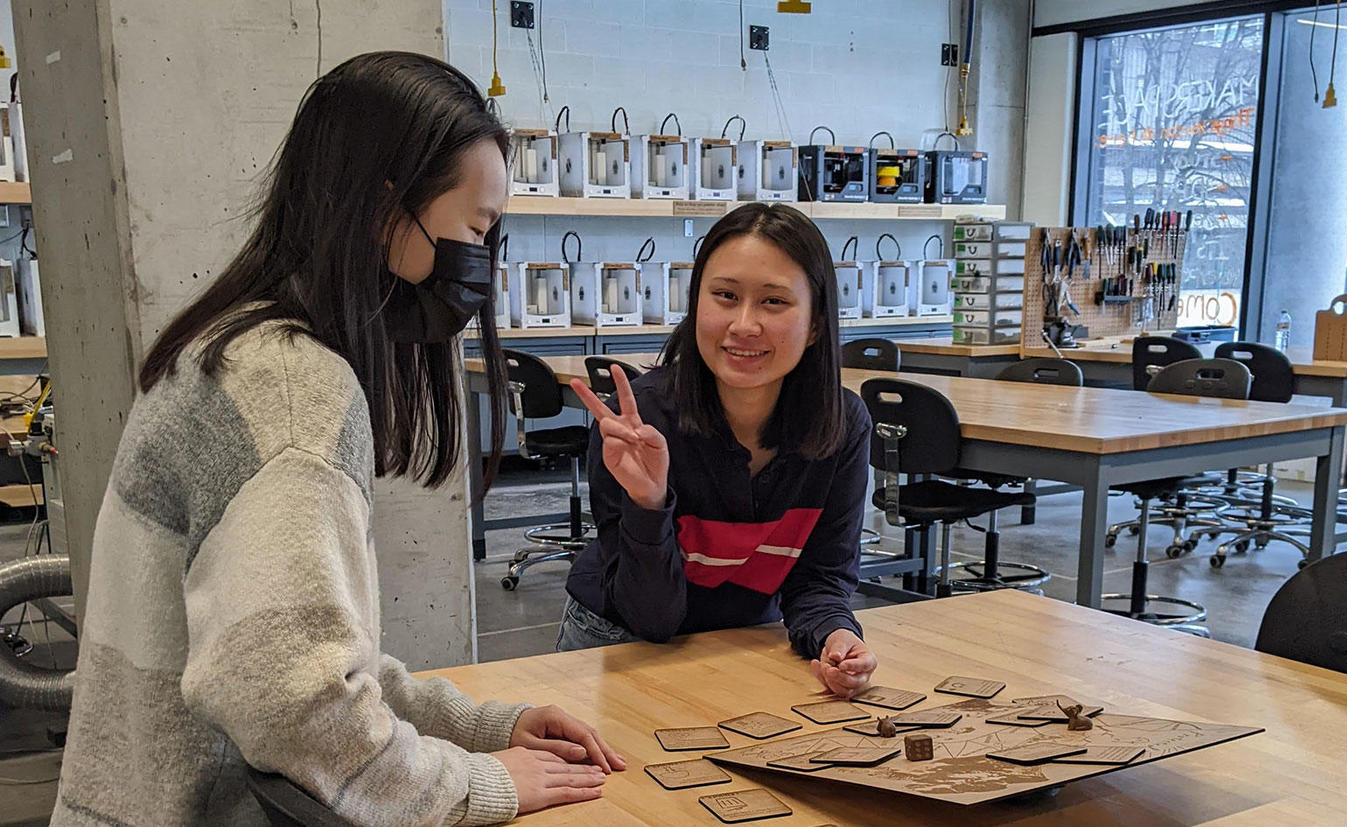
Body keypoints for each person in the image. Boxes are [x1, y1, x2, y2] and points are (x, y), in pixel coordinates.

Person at [53, 52, 622, 827]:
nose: (482, 262)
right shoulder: (293, 389)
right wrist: (481, 781)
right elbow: (297, 701)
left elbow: (302, 653)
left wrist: (483, 727)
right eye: (477, 228)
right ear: (387, 208)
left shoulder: (238, 346)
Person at [558, 203, 879, 699]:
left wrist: (836, 636)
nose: (744, 324)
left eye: (774, 302)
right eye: (725, 296)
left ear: (816, 322)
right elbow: (652, 619)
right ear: (697, 303)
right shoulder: (638, 428)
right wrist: (648, 506)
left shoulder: (841, 426)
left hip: (746, 640)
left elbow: (820, 578)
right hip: (619, 640)